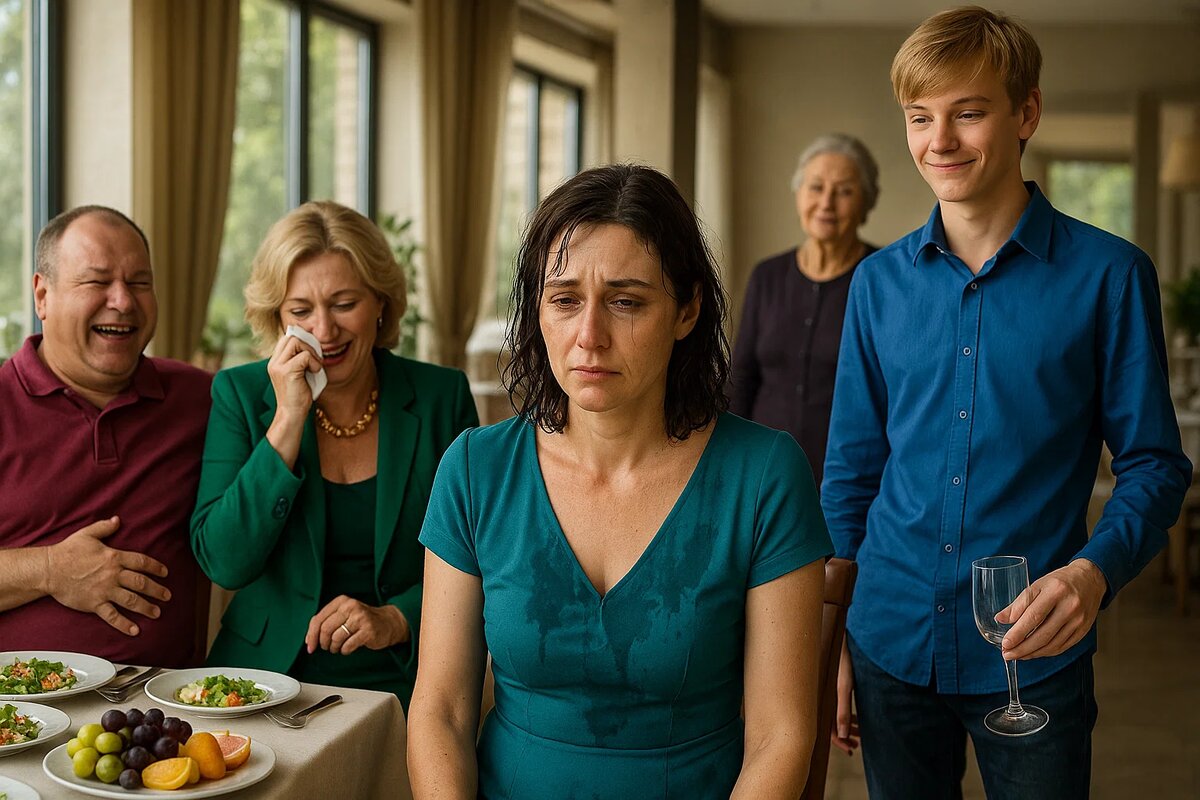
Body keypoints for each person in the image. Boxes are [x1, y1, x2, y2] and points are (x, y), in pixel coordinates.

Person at [821, 7, 1191, 798]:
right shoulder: (876, 284)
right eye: (920, 117)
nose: (939, 141)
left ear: (1027, 113)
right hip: (888, 639)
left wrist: (1092, 575)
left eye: (968, 113)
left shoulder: (1110, 276)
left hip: (1034, 652)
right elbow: (850, 472)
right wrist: (830, 639)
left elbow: (1155, 466)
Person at [408, 164, 833, 799]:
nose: (589, 337)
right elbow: (440, 711)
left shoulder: (765, 475)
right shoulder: (475, 470)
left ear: (687, 310)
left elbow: (781, 736)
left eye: (626, 302)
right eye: (564, 300)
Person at [189, 201, 478, 708]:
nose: (324, 331)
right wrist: (287, 418)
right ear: (278, 319)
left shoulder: (442, 397)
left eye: (344, 303)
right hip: (261, 679)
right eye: (301, 311)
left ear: (380, 303)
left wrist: (396, 618)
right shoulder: (238, 394)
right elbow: (225, 563)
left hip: (404, 675)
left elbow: (479, 554)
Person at [0, 205, 212, 667]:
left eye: (140, 283)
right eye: (97, 281)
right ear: (42, 295)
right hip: (18, 706)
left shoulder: (201, 400)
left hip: (168, 703)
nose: (123, 301)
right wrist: (50, 570)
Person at [729, 133, 879, 487]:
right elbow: (741, 378)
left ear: (866, 202)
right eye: (815, 188)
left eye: (844, 191)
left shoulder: (881, 278)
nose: (826, 203)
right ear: (798, 194)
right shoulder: (767, 275)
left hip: (848, 478)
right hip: (763, 475)